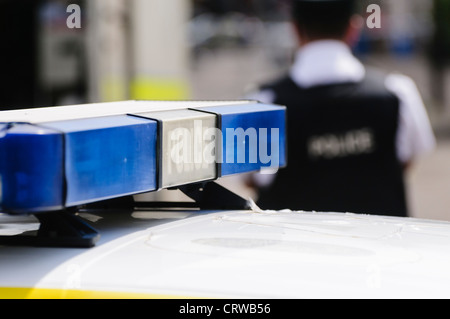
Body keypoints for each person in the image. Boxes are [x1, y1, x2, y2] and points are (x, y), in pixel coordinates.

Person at [247, 0, 436, 217]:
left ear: (295, 29)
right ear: (354, 28)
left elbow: (250, 178)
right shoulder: (397, 92)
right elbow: (406, 160)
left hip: (292, 246)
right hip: (382, 246)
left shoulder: (263, 101)